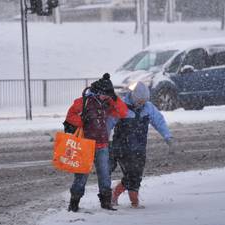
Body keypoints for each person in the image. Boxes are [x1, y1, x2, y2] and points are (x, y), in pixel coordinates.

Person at [63, 73, 128, 212]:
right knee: (81, 177)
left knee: (105, 176)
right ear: (98, 92)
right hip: (85, 146)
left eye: (109, 95)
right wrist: (82, 122)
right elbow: (70, 116)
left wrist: (115, 98)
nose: (107, 98)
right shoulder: (83, 101)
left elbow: (123, 112)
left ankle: (106, 203)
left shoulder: (109, 102)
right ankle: (74, 203)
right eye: (106, 95)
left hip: (103, 145)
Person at [109, 81, 173, 208]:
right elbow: (108, 123)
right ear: (133, 97)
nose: (141, 104)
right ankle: (134, 203)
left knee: (135, 176)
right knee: (131, 175)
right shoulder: (121, 106)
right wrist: (102, 139)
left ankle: (116, 195)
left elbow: (159, 121)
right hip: (122, 148)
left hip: (139, 149)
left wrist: (167, 135)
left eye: (143, 102)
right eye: (139, 101)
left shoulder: (148, 108)